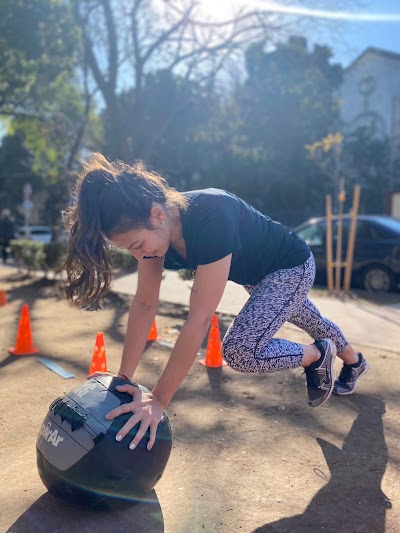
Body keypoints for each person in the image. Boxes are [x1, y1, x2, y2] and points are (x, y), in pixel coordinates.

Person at [65, 153, 370, 452]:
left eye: (137, 245)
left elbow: (198, 320)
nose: (138, 256)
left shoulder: (210, 215)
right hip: (257, 278)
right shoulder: (155, 233)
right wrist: (123, 379)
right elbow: (145, 303)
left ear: (157, 214)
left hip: (291, 267)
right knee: (314, 322)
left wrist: (158, 400)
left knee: (240, 350)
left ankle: (316, 355)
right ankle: (355, 363)